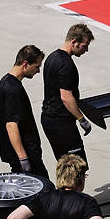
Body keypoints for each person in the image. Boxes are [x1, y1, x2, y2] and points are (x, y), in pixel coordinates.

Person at [41, 24, 95, 163]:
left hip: (49, 119)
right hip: (61, 123)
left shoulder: (52, 57)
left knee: (63, 165)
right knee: (77, 165)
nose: (86, 50)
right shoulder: (66, 64)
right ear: (74, 42)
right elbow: (66, 97)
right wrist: (81, 119)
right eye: (84, 46)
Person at [0, 45, 49, 178]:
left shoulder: (5, 82)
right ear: (25, 64)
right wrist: (23, 158)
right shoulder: (13, 89)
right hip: (26, 156)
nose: (38, 71)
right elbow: (11, 125)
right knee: (44, 187)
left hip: (22, 155)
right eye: (36, 66)